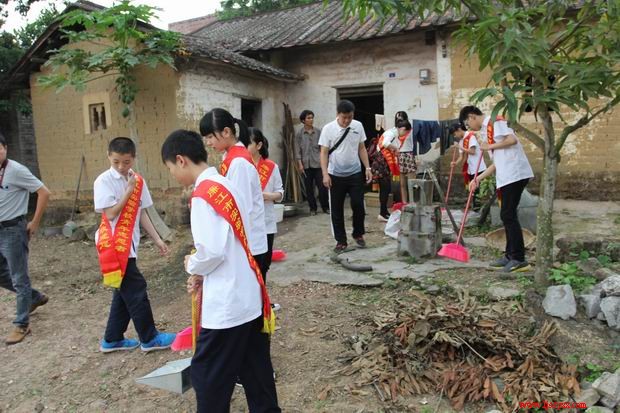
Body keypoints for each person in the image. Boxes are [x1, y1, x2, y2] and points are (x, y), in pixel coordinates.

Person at [161, 129, 280, 413]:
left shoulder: (203, 195)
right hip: (248, 293)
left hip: (227, 305)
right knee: (256, 372)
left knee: (207, 376)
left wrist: (192, 264)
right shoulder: (226, 185)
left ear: (181, 160)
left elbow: (212, 252)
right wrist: (202, 272)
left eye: (170, 168)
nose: (173, 175)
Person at [94, 137, 175, 352]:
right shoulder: (103, 181)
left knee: (124, 293)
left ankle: (112, 339)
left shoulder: (138, 180)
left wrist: (157, 239)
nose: (121, 167)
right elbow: (111, 214)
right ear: (109, 157)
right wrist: (128, 191)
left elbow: (141, 213)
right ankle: (150, 338)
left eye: (126, 162)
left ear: (134, 159)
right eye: (116, 162)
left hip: (129, 244)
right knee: (136, 288)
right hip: (113, 246)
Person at [461, 106, 534, 273]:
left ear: (472, 117)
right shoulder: (486, 129)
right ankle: (509, 256)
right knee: (507, 215)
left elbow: (512, 140)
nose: (469, 128)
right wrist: (477, 179)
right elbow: (496, 163)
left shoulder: (495, 121)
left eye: (467, 124)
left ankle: (519, 259)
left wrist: (489, 146)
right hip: (506, 176)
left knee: (508, 215)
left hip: (515, 174)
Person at [199, 109, 269, 275]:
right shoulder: (230, 157)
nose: (208, 143)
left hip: (249, 242)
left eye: (210, 137)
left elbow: (242, 208)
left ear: (226, 132)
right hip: (244, 239)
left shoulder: (239, 163)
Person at [0, 135, 51, 345]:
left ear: (5, 148)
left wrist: (35, 222)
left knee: (19, 277)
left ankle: (22, 324)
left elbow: (44, 192)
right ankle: (35, 297)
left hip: (13, 230)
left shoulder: (16, 170)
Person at [319, 99, 372, 253]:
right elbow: (323, 152)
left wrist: (367, 167)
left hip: (354, 173)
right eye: (344, 117)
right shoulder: (328, 129)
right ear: (338, 114)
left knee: (358, 205)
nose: (347, 120)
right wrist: (325, 174)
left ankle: (358, 233)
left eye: (350, 117)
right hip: (335, 175)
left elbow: (362, 148)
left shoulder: (358, 126)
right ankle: (341, 241)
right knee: (336, 209)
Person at [248, 127, 284, 287]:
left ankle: (262, 297)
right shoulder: (242, 167)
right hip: (248, 223)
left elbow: (280, 193)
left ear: (259, 145)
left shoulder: (271, 167)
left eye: (248, 143)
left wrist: (266, 196)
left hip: (266, 222)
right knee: (250, 263)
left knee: (264, 263)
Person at [295, 110, 329, 215]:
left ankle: (325, 207)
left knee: (322, 187)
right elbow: (297, 150)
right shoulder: (299, 134)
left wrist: (325, 163)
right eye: (308, 118)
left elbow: (323, 148)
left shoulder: (318, 132)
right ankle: (312, 208)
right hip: (306, 165)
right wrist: (300, 164)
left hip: (318, 164)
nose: (311, 120)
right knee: (309, 189)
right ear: (303, 120)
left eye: (312, 117)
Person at [449, 122, 487, 209]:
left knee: (478, 191)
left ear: (459, 130)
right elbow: (461, 157)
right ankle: (475, 208)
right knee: (472, 190)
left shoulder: (471, 137)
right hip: (470, 168)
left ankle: (479, 209)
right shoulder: (461, 141)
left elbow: (472, 151)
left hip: (478, 168)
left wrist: (460, 147)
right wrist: (455, 163)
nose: (455, 136)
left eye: (455, 134)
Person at [382, 112, 415, 203]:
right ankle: (404, 202)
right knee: (402, 184)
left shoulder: (410, 129)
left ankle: (412, 202)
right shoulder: (394, 131)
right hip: (399, 155)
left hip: (409, 154)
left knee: (412, 182)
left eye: (401, 119)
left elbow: (414, 142)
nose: (400, 121)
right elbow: (388, 143)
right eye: (398, 119)